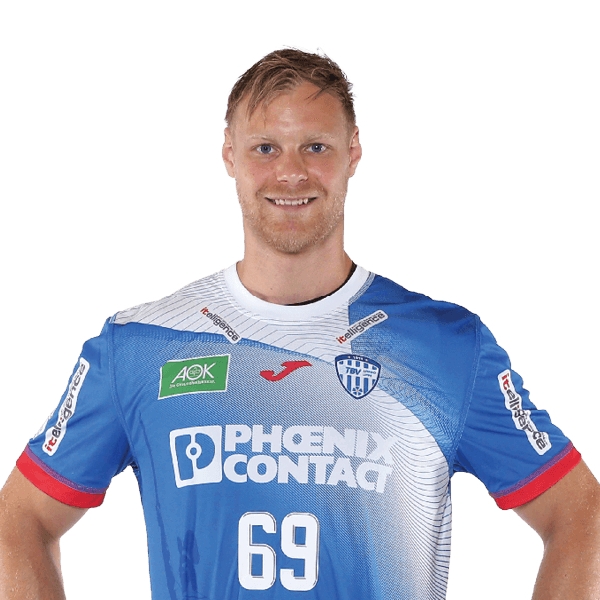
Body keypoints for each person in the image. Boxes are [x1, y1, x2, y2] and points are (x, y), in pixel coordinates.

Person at [0, 49, 598, 600]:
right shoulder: (141, 347)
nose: (291, 173)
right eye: (266, 148)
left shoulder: (446, 346)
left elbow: (581, 516)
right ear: (229, 154)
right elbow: (19, 521)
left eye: (315, 147)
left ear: (353, 153)